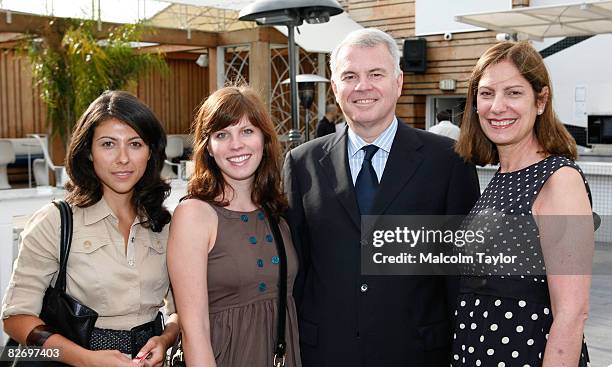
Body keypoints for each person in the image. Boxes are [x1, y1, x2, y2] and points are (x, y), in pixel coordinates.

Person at [283, 28, 480, 367]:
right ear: (335, 88)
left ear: (398, 82)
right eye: (350, 75)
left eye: (376, 74)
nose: (363, 86)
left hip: (417, 352)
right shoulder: (302, 163)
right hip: (325, 352)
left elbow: (461, 273)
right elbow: (296, 269)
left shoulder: (448, 160)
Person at [1, 90, 179, 366]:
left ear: (150, 153)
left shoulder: (164, 225)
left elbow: (181, 310)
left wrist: (166, 339)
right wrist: (86, 359)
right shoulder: (56, 222)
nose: (123, 158)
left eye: (135, 144)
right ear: (88, 153)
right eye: (108, 144)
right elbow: (15, 318)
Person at [452, 41, 593, 367]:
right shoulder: (500, 179)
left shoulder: (559, 180)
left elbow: (572, 313)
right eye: (486, 94)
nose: (497, 106)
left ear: (540, 100)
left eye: (513, 93)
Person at [167, 86, 301, 367]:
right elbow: (194, 329)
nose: (236, 144)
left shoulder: (277, 211)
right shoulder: (194, 215)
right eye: (222, 135)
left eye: (247, 131)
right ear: (209, 148)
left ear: (264, 139)